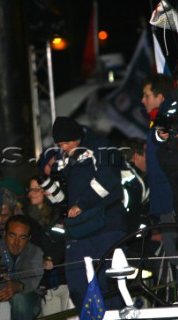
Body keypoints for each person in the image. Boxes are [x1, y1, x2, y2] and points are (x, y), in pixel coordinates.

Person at [51, 116, 126, 311]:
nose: (63, 148)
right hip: (78, 231)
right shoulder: (62, 156)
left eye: (66, 143)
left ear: (77, 137)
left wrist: (82, 204)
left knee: (107, 285)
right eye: (60, 144)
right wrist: (49, 187)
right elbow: (63, 197)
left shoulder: (101, 147)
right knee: (77, 283)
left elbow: (108, 180)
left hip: (106, 227)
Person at [141, 74, 178, 268]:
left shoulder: (172, 117)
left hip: (172, 198)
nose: (143, 100)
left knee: (176, 253)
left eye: (147, 95)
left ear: (161, 97)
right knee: (173, 254)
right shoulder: (155, 124)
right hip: (164, 201)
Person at [26, 176, 70, 317]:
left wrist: (51, 257)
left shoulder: (58, 214)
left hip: (65, 277)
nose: (31, 193)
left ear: (46, 192)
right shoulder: (27, 217)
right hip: (45, 283)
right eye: (30, 190)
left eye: (36, 190)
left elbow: (63, 242)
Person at [0, 215, 44, 319]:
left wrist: (19, 285)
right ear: (5, 234)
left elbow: (33, 277)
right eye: (12, 235)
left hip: (27, 294)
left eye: (22, 237)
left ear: (29, 238)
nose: (16, 242)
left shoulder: (35, 251)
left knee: (19, 300)